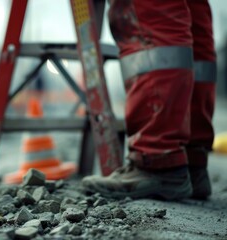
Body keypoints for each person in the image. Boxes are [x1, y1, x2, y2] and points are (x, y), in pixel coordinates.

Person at [83, 0, 216, 200]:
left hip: (160, 157)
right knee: (191, 11)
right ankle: (190, 160)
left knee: (150, 12)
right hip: (192, 158)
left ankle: (157, 158)